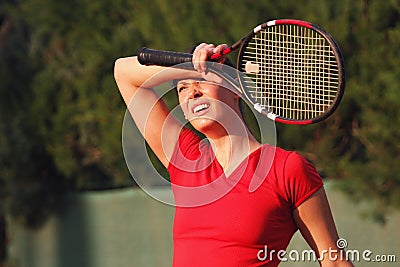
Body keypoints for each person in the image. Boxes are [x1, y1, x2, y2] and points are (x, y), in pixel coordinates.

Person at [114, 43, 354, 267]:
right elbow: (123, 72)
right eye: (182, 87)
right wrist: (187, 65)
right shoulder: (185, 158)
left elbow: (334, 260)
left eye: (201, 80)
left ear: (236, 88)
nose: (191, 93)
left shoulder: (286, 169)